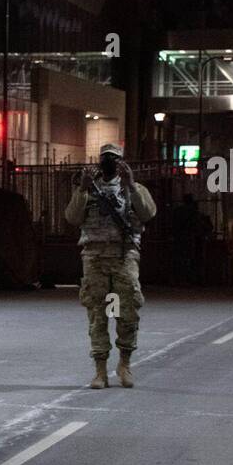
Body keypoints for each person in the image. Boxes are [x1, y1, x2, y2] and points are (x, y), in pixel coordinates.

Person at [64, 143, 158, 389]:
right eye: (106, 158)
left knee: (128, 311)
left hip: (124, 255)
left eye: (114, 159)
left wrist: (131, 185)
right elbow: (72, 217)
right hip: (94, 257)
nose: (109, 163)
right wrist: (82, 190)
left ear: (121, 163)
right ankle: (100, 370)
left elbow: (148, 213)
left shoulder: (134, 189)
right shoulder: (88, 188)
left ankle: (124, 364)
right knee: (97, 314)